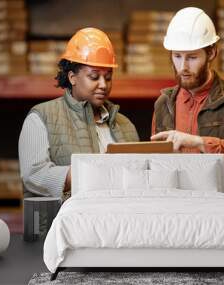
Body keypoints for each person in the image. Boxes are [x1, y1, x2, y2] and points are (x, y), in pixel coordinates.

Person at [150, 7, 224, 197]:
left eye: (192, 57)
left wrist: (200, 143)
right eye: (177, 56)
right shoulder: (163, 104)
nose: (183, 67)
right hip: (175, 207)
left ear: (211, 53)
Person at [19, 28, 139, 200]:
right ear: (72, 77)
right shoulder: (41, 117)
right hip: (68, 222)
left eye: (108, 77)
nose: (103, 85)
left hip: (117, 220)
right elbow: (34, 175)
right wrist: (89, 173)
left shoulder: (125, 125)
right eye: (94, 76)